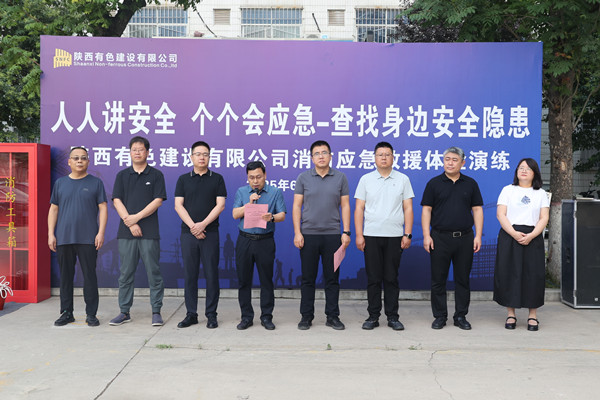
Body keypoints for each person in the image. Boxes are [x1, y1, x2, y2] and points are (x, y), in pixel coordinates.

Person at [421, 146, 483, 330]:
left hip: (465, 238)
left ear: (463, 163)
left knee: (462, 279)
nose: (450, 163)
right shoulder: (434, 183)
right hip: (439, 238)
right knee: (438, 280)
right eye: (447, 159)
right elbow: (426, 210)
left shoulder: (470, 183)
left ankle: (460, 316)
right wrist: (426, 235)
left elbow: (477, 210)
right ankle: (440, 316)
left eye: (455, 160)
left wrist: (478, 235)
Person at [354, 142, 414, 331]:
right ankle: (373, 316)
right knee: (373, 278)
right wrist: (359, 234)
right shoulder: (366, 179)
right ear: (374, 158)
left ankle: (392, 317)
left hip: (394, 236)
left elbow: (408, 208)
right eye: (380, 155)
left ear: (393, 157)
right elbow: (359, 208)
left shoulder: (403, 179)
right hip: (371, 235)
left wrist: (407, 233)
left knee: (391, 277)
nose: (384, 158)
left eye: (387, 154)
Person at [293, 140, 351, 330]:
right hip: (308, 235)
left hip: (333, 236)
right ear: (312, 158)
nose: (321, 156)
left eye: (324, 152)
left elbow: (345, 206)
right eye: (317, 153)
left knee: (332, 279)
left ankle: (332, 316)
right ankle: (306, 317)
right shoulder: (303, 178)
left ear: (330, 156)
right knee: (308, 279)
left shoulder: (340, 177)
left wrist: (346, 231)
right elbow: (297, 206)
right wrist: (297, 232)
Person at [109, 136, 167, 327]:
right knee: (125, 273)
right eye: (134, 149)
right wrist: (130, 222)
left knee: (154, 272)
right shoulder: (122, 175)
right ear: (130, 152)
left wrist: (137, 217)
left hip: (149, 232)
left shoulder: (156, 175)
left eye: (141, 149)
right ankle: (124, 311)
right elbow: (117, 200)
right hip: (126, 232)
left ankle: (156, 311)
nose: (137, 152)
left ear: (147, 152)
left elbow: (158, 201)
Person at [48, 146, 107, 327]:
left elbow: (103, 208)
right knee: (66, 277)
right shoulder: (60, 183)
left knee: (90, 276)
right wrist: (51, 234)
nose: (79, 161)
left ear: (88, 161)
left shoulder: (96, 183)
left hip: (88, 238)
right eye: (76, 158)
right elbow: (54, 209)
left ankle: (91, 314)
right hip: (64, 237)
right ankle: (67, 313)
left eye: (83, 158)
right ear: (69, 162)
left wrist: (101, 232)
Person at [174, 141, 226, 329]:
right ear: (191, 157)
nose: (202, 157)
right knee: (190, 274)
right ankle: (191, 314)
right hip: (188, 235)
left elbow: (220, 205)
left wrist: (203, 225)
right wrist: (193, 227)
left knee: (211, 274)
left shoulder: (217, 179)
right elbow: (178, 205)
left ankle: (211, 315)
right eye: (198, 154)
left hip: (210, 233)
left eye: (205, 154)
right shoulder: (183, 179)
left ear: (209, 157)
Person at [493, 158, 549, 331]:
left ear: (535, 173)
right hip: (510, 235)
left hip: (533, 236)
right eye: (521, 168)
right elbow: (501, 214)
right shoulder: (508, 190)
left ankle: (533, 315)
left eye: (528, 168)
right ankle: (511, 313)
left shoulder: (541, 193)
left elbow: (544, 218)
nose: (523, 171)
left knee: (533, 275)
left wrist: (532, 235)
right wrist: (514, 233)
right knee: (510, 273)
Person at [232, 161, 286, 330]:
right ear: (247, 178)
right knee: (244, 281)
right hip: (245, 240)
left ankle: (266, 317)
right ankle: (246, 317)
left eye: (258, 177)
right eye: (251, 178)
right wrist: (248, 205)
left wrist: (272, 217)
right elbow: (235, 214)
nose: (255, 181)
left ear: (265, 175)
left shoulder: (275, 192)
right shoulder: (242, 192)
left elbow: (282, 214)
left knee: (266, 281)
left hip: (265, 240)